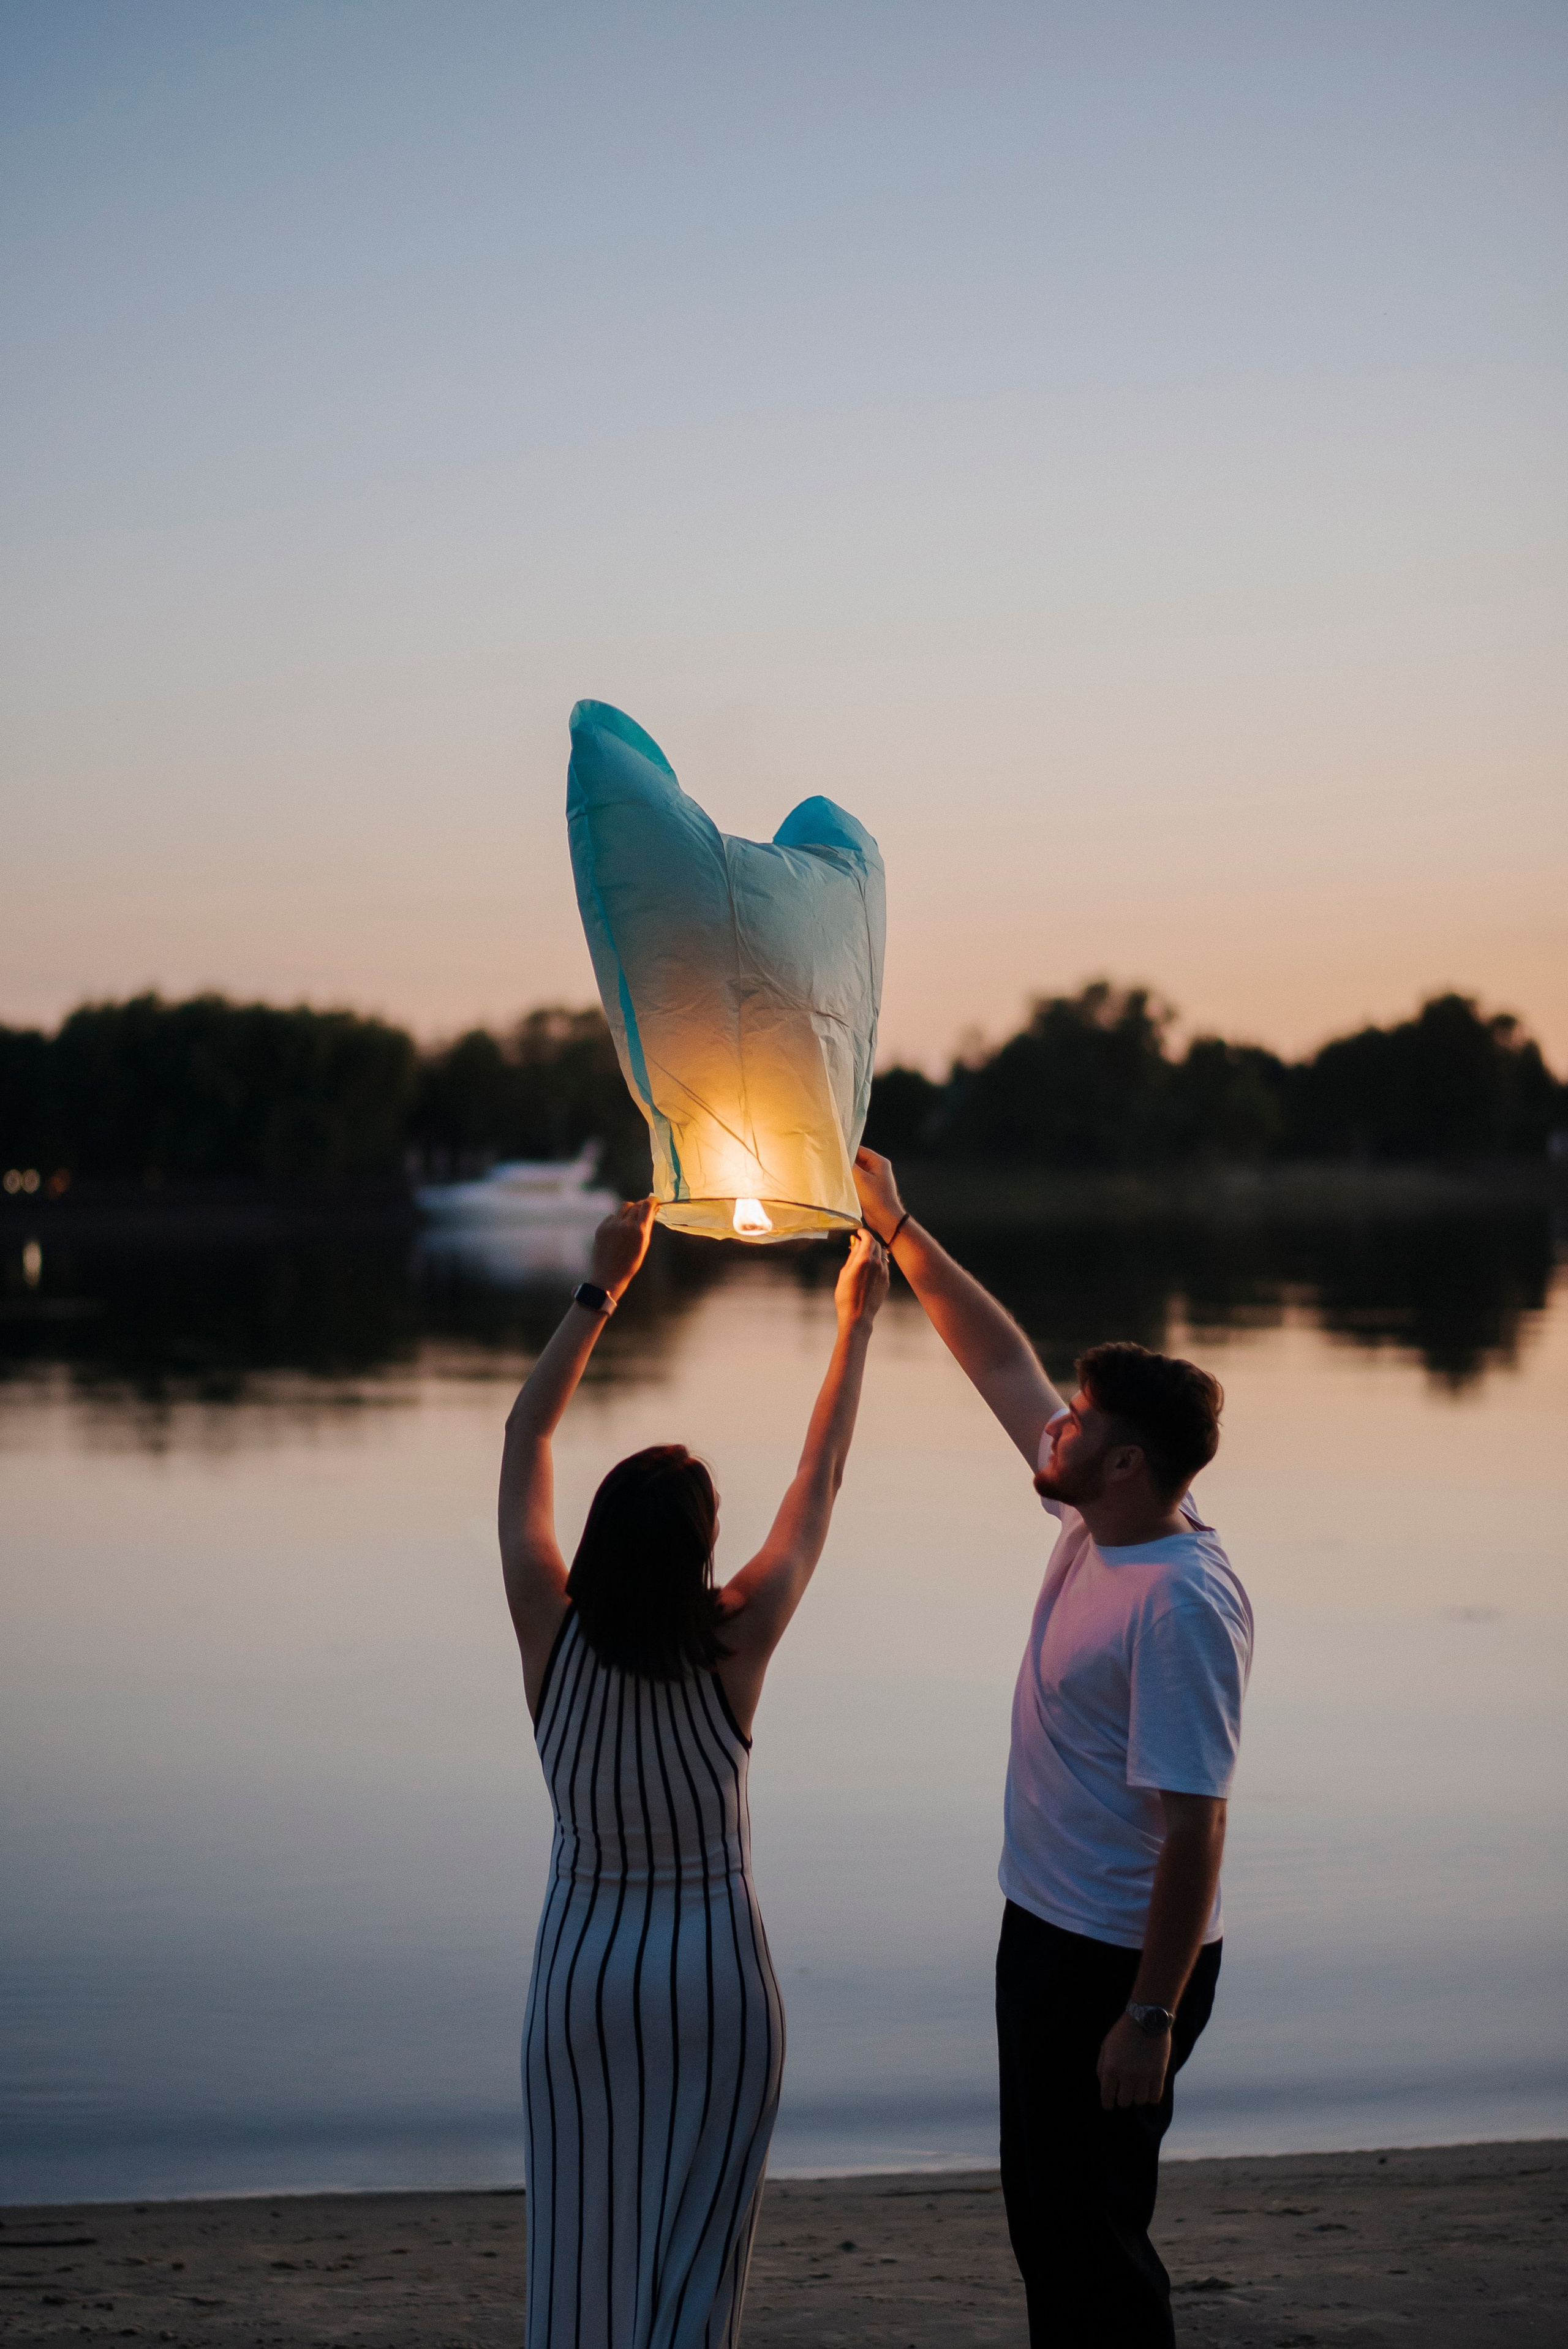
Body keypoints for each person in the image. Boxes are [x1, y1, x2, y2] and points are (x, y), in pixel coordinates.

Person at [853, 1146, 1253, 2349]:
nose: (1053, 1425)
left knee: (1092, 2231)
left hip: (1115, 1961)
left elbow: (1197, 1826)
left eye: (1076, 1422)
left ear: (1124, 1462)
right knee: (1046, 2218)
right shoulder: (1102, 1516)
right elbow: (994, 1358)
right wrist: (899, 1226)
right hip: (1045, 1923)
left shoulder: (1176, 1604)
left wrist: (1148, 2014)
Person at [498, 1196, 889, 2349]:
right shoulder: (736, 1637)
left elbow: (527, 1441)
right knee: (695, 2271)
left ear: (602, 1541)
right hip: (718, 1977)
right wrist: (855, 1321)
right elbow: (817, 1482)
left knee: (582, 2262)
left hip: (584, 1979)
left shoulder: (546, 1626)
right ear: (701, 1550)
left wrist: (602, 1288)